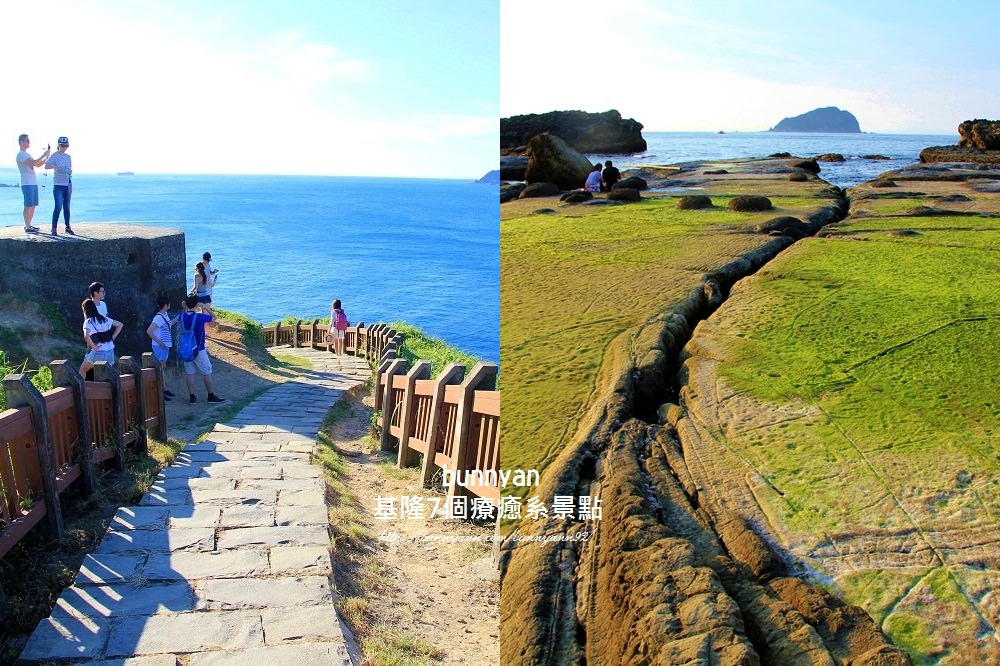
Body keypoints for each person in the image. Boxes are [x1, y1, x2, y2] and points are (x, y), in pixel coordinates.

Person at [179, 294, 224, 404]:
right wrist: (205, 307)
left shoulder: (181, 316)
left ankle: (192, 397)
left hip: (186, 349)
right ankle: (211, 396)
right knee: (207, 372)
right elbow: (214, 318)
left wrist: (185, 306)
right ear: (196, 304)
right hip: (199, 349)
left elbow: (186, 312)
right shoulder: (199, 317)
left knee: (190, 373)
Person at [79, 298, 123, 377]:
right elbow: (120, 325)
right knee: (106, 376)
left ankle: (83, 389)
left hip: (99, 352)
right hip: (110, 352)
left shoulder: (88, 322)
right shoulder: (104, 319)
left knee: (82, 371)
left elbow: (86, 336)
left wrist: (94, 347)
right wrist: (112, 338)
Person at [16, 134, 51, 233]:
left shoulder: (27, 155)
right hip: (26, 183)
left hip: (32, 182)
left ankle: (29, 225)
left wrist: (46, 158)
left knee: (33, 204)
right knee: (28, 204)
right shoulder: (21, 155)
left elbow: (38, 165)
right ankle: (27, 226)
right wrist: (44, 155)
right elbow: (33, 163)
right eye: (27, 141)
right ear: (21, 142)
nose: (29, 142)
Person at [146, 295, 176, 401]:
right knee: (160, 369)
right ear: (165, 305)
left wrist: (178, 318)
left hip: (164, 346)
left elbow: (168, 325)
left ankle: (164, 389)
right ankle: (160, 391)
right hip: (160, 346)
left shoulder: (164, 315)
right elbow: (149, 331)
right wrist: (160, 343)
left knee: (162, 368)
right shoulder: (158, 317)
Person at [44, 136, 74, 235]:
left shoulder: (68, 157)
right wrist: (55, 167)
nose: (64, 147)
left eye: (66, 146)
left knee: (67, 206)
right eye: (62, 145)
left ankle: (67, 226)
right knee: (58, 206)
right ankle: (54, 228)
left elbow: (70, 170)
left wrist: (69, 171)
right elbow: (46, 166)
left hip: (67, 183)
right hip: (58, 184)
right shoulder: (54, 155)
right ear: (58, 145)